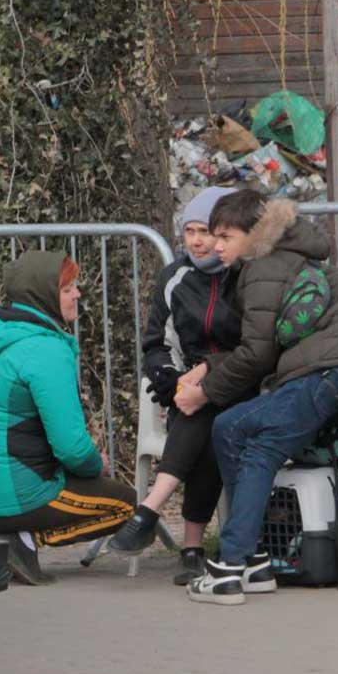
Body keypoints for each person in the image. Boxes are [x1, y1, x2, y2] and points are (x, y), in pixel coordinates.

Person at [174, 189, 338, 606]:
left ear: (253, 236)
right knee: (229, 426)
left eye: (226, 236)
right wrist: (211, 370)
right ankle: (252, 560)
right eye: (214, 236)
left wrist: (204, 394)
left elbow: (257, 355)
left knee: (260, 446)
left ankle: (230, 566)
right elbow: (264, 343)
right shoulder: (282, 259)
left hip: (326, 372)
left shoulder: (264, 267)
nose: (217, 246)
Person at [108, 186, 241, 585]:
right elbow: (156, 343)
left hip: (241, 383)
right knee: (200, 417)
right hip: (189, 388)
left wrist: (201, 383)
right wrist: (170, 379)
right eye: (189, 232)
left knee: (207, 414)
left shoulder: (245, 276)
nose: (198, 241)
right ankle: (191, 549)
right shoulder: (175, 278)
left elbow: (253, 346)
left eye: (206, 231)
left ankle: (150, 514)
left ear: (224, 234)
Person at [0, 249, 137, 585]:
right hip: (21, 493)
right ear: (44, 297)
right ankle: (18, 542)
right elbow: (70, 447)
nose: (77, 295)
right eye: (68, 289)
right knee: (126, 506)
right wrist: (94, 465)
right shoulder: (46, 351)